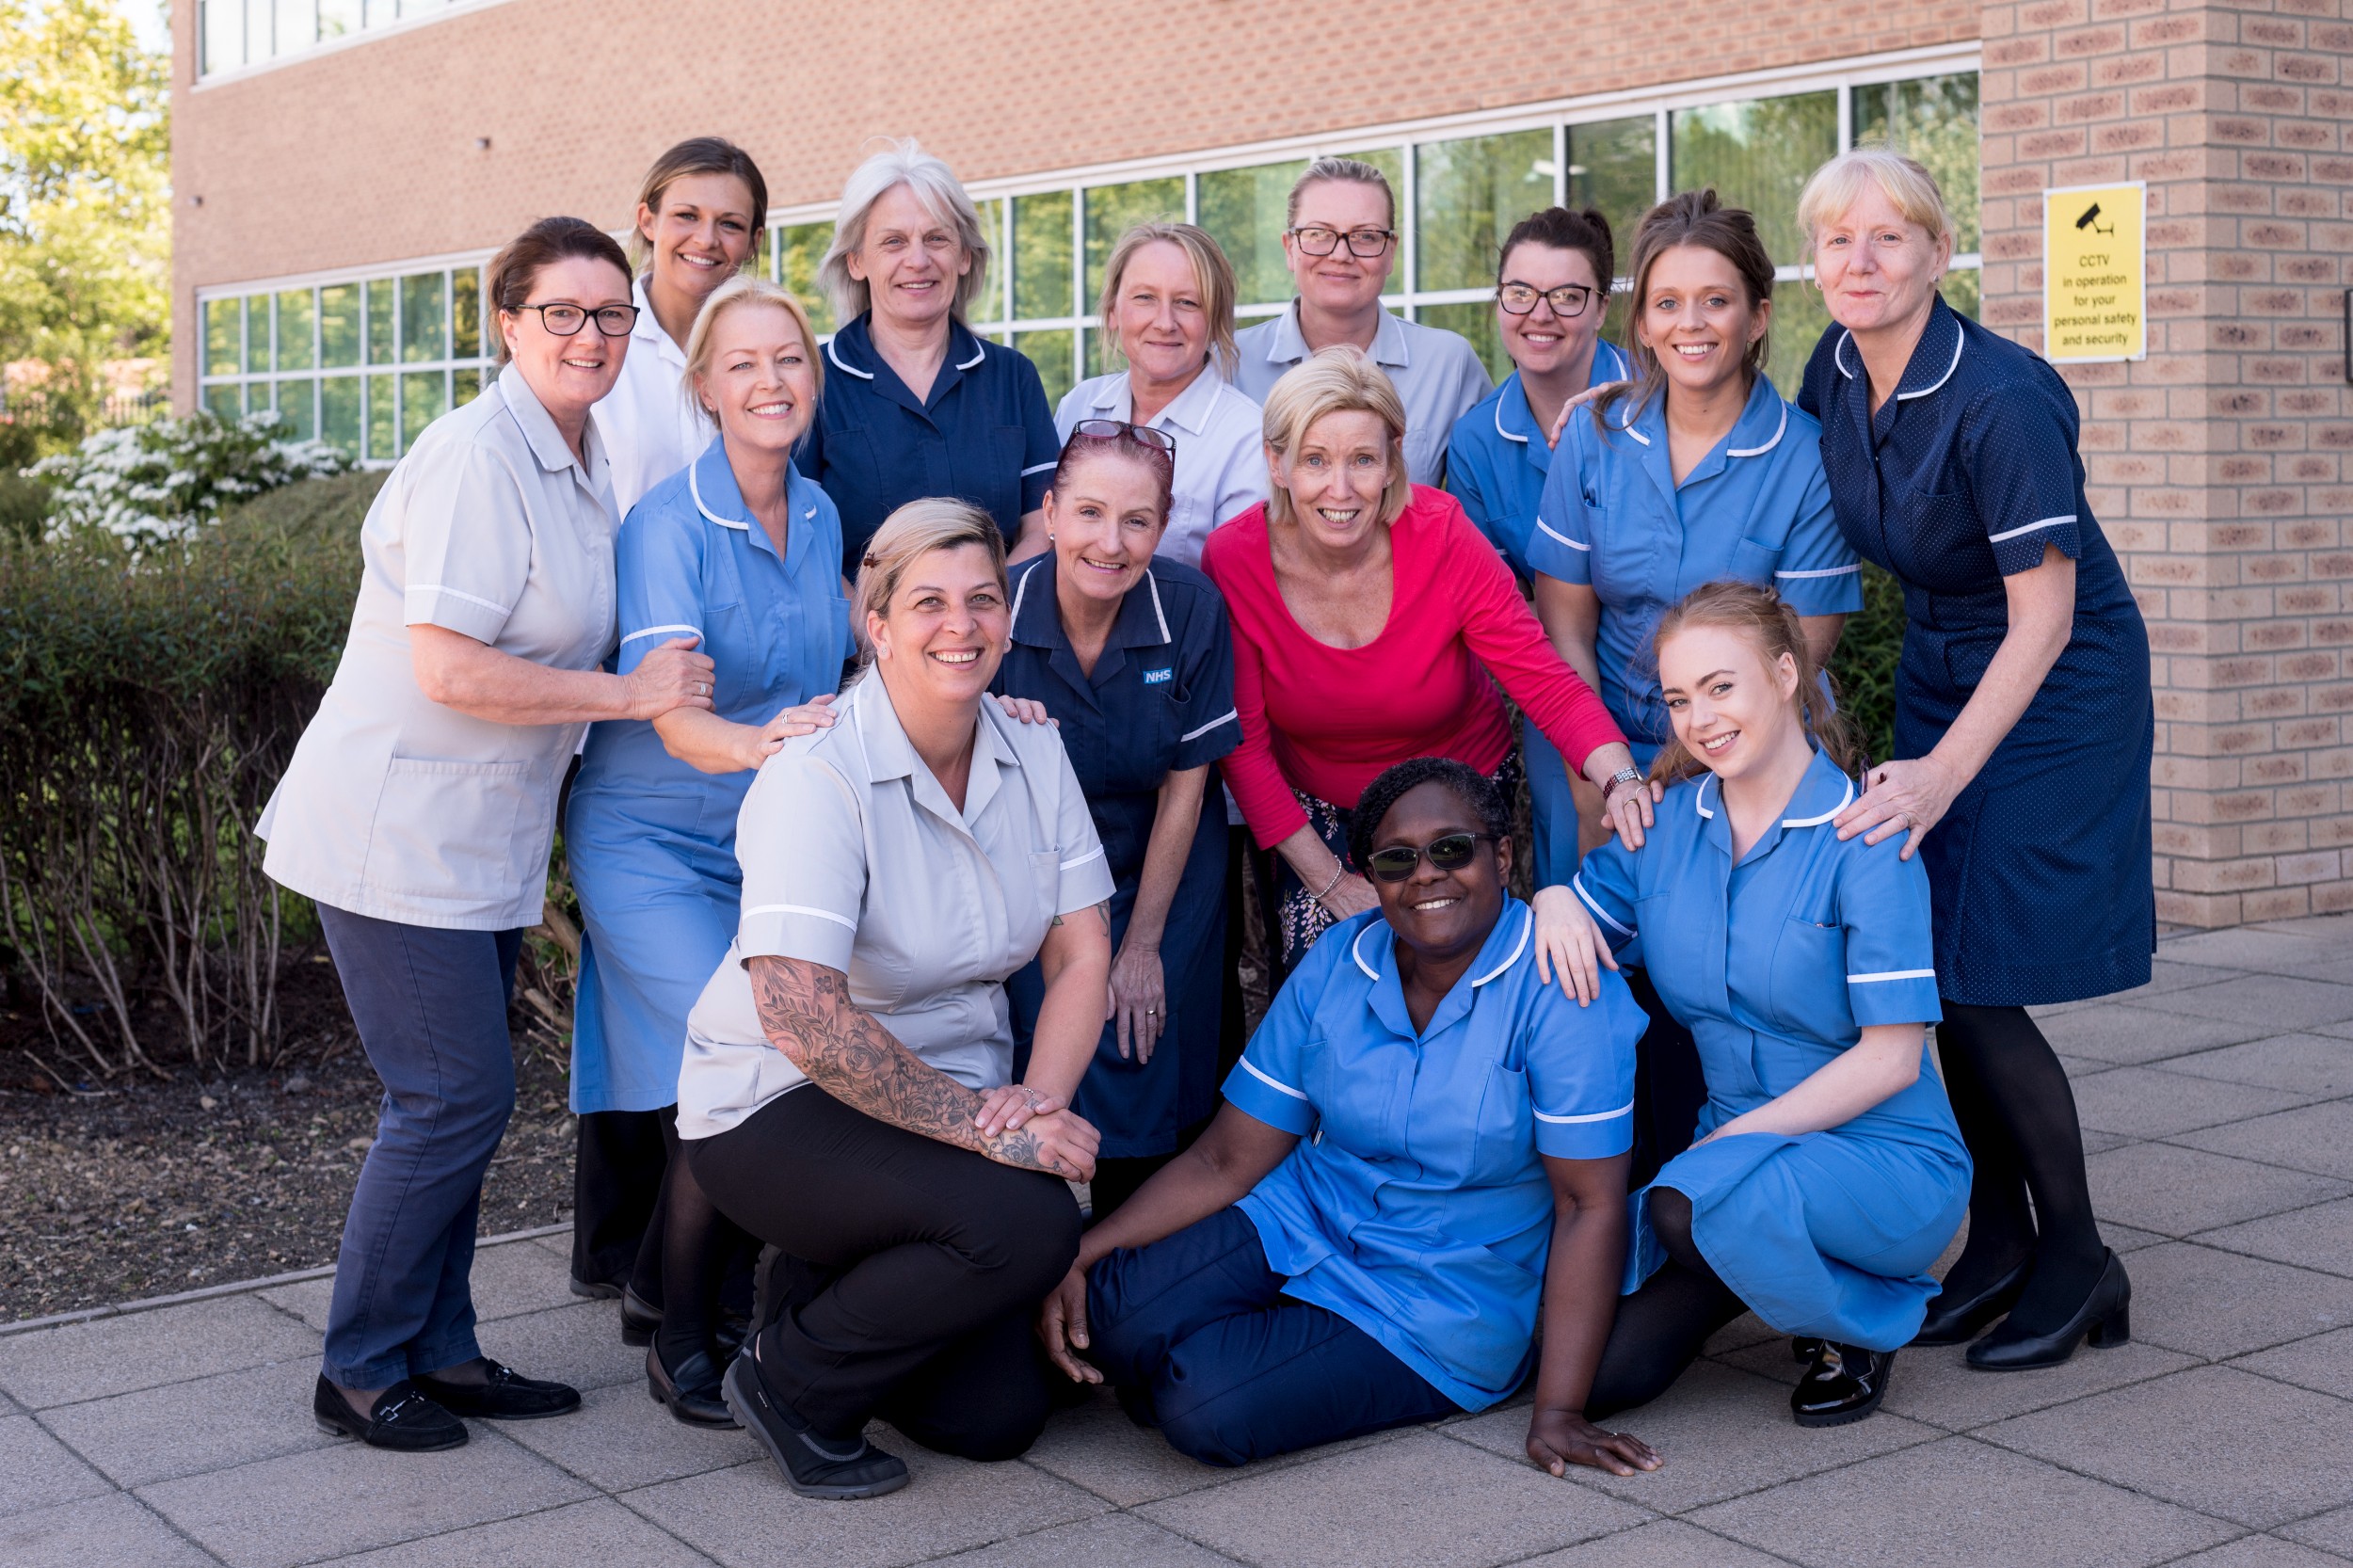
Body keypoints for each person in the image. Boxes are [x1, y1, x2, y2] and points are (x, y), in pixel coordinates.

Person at [258, 217, 714, 1452]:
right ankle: (359, 1364)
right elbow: (451, 667)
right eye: (561, 312)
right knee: (451, 1094)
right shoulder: (474, 455)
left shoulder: (578, 456)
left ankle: (442, 1349)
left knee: (464, 1098)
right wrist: (628, 699)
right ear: (506, 320)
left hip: (486, 841)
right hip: (395, 833)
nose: (590, 335)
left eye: (612, 315)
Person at [1037, 758, 1657, 1475]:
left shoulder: (1560, 985)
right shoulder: (1340, 959)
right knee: (1104, 1318)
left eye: (1452, 848)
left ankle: (1232, 1354)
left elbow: (1589, 1203)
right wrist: (1086, 1249)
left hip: (1439, 1296)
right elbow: (1227, 1158)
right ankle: (1222, 1340)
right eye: (1396, 860)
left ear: (1504, 853)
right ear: (1371, 874)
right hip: (1302, 1221)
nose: (1425, 874)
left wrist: (1559, 1413)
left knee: (1202, 1405)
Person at [675, 500, 1114, 1499]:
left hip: (942, 1102)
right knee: (1029, 1225)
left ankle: (816, 1289)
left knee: (996, 1418)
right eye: (927, 603)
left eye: (982, 600)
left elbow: (1082, 948)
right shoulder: (816, 773)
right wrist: (989, 1134)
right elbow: (800, 1015)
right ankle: (786, 1381)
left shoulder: (1032, 750)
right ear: (875, 625)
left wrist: (1034, 1105)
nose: (959, 625)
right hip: (776, 1100)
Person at [1798, 148, 2152, 1368]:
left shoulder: (2003, 396)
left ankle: (2080, 1254)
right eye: (1838, 238)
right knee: (1934, 960)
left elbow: (2046, 615)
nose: (1862, 259)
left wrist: (1942, 772)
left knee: (1981, 969)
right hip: (1951, 654)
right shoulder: (1834, 367)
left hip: (2057, 674)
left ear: (1939, 254)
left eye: (1889, 236)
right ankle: (1997, 1238)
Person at [1535, 582, 1970, 1427]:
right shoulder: (1663, 828)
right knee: (1599, 1375)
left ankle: (1865, 1318)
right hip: (1725, 1171)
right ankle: (1752, 1262)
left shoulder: (1868, 839)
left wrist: (1728, 1146)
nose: (1699, 718)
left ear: (1783, 673)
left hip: (1881, 1161)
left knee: (1678, 1204)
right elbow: (1568, 942)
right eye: (1677, 698)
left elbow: (1890, 1058)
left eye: (1721, 686)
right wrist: (1554, 900)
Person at [1527, 191, 1861, 1186]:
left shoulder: (1803, 457)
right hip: (1597, 739)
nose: (1690, 325)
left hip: (1748, 750)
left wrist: (1667, 779)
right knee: (1594, 966)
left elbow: (1795, 657)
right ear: (1639, 322)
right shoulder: (1592, 437)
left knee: (1734, 981)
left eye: (1714, 301)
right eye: (1667, 303)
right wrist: (1601, 771)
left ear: (1758, 315)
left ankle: (1757, 1186)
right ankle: (1611, 1201)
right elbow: (1565, 620)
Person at [564, 278, 851, 1426]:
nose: (771, 382)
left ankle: (660, 1285)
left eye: (790, 360)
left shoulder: (824, 514)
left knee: (768, 1055)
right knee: (738, 1055)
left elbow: (841, 674)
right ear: (703, 390)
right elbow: (672, 714)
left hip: (764, 838)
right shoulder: (664, 523)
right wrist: (766, 746)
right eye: (743, 365)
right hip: (649, 838)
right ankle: (685, 1335)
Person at [1201, 347, 1646, 978]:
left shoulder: (1440, 532)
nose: (1341, 489)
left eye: (1362, 460)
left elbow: (1543, 681)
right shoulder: (1234, 559)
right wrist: (1334, 884)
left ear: (1392, 459)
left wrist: (1620, 779)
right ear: (1276, 464)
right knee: (1333, 981)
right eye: (1314, 461)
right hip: (1323, 810)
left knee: (1466, 971)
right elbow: (1243, 746)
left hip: (1456, 784)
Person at [995, 423, 1239, 1218]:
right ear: (1052, 513)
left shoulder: (1193, 609)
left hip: (1166, 852)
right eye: (1090, 514)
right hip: (1038, 863)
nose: (1111, 542)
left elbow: (1186, 785)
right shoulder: (997, 611)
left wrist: (1140, 946)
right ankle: (1043, 1236)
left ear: (1162, 529)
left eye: (1137, 520)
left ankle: (1140, 1252)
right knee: (1056, 1030)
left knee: (1152, 1029)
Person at [800, 138, 1060, 566]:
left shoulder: (1013, 378)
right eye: (893, 242)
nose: (918, 260)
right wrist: (879, 631)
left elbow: (1042, 527)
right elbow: (806, 546)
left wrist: (981, 615)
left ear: (963, 256)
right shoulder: (813, 382)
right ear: (856, 262)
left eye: (936, 238)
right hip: (862, 630)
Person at [1230, 158, 1490, 486]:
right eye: (1319, 233)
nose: (1341, 255)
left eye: (1366, 236)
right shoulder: (1231, 364)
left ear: (1391, 251)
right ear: (1289, 248)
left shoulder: (1447, 363)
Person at [1050, 222, 1267, 568]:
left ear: (1215, 321)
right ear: (1112, 312)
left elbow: (1236, 587)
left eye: (1187, 302)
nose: (1165, 322)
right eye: (1145, 298)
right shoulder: (1077, 406)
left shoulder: (1247, 437)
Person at [1448, 206, 1633, 582]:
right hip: (1542, 640)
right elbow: (1499, 602)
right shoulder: (1475, 441)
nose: (1541, 314)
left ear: (1600, 310)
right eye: (1520, 292)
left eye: (1566, 296)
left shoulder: (1662, 394)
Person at [592, 136, 769, 518]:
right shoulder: (594, 344)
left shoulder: (772, 355)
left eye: (730, 224)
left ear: (754, 242)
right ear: (648, 220)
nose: (706, 240)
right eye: (687, 216)